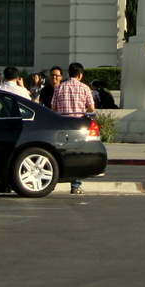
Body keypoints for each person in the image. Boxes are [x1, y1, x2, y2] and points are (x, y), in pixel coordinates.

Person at [51, 63, 97, 193]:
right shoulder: (85, 88)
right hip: (78, 125)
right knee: (77, 154)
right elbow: (91, 108)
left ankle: (53, 182)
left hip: (62, 124)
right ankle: (75, 185)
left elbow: (53, 109)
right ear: (80, 75)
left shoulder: (59, 88)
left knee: (60, 153)